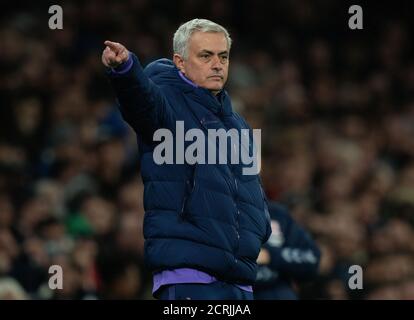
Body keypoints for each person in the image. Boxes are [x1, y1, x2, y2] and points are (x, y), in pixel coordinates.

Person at [101, 18, 271, 300]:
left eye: (223, 56)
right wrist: (126, 69)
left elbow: (253, 188)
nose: (217, 64)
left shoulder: (238, 123)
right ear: (180, 62)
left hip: (240, 279)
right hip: (190, 272)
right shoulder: (167, 101)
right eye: (205, 55)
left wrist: (258, 228)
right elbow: (141, 103)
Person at [254, 202, 321, 299]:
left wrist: (270, 255)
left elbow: (312, 257)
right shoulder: (226, 215)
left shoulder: (276, 214)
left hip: (275, 292)